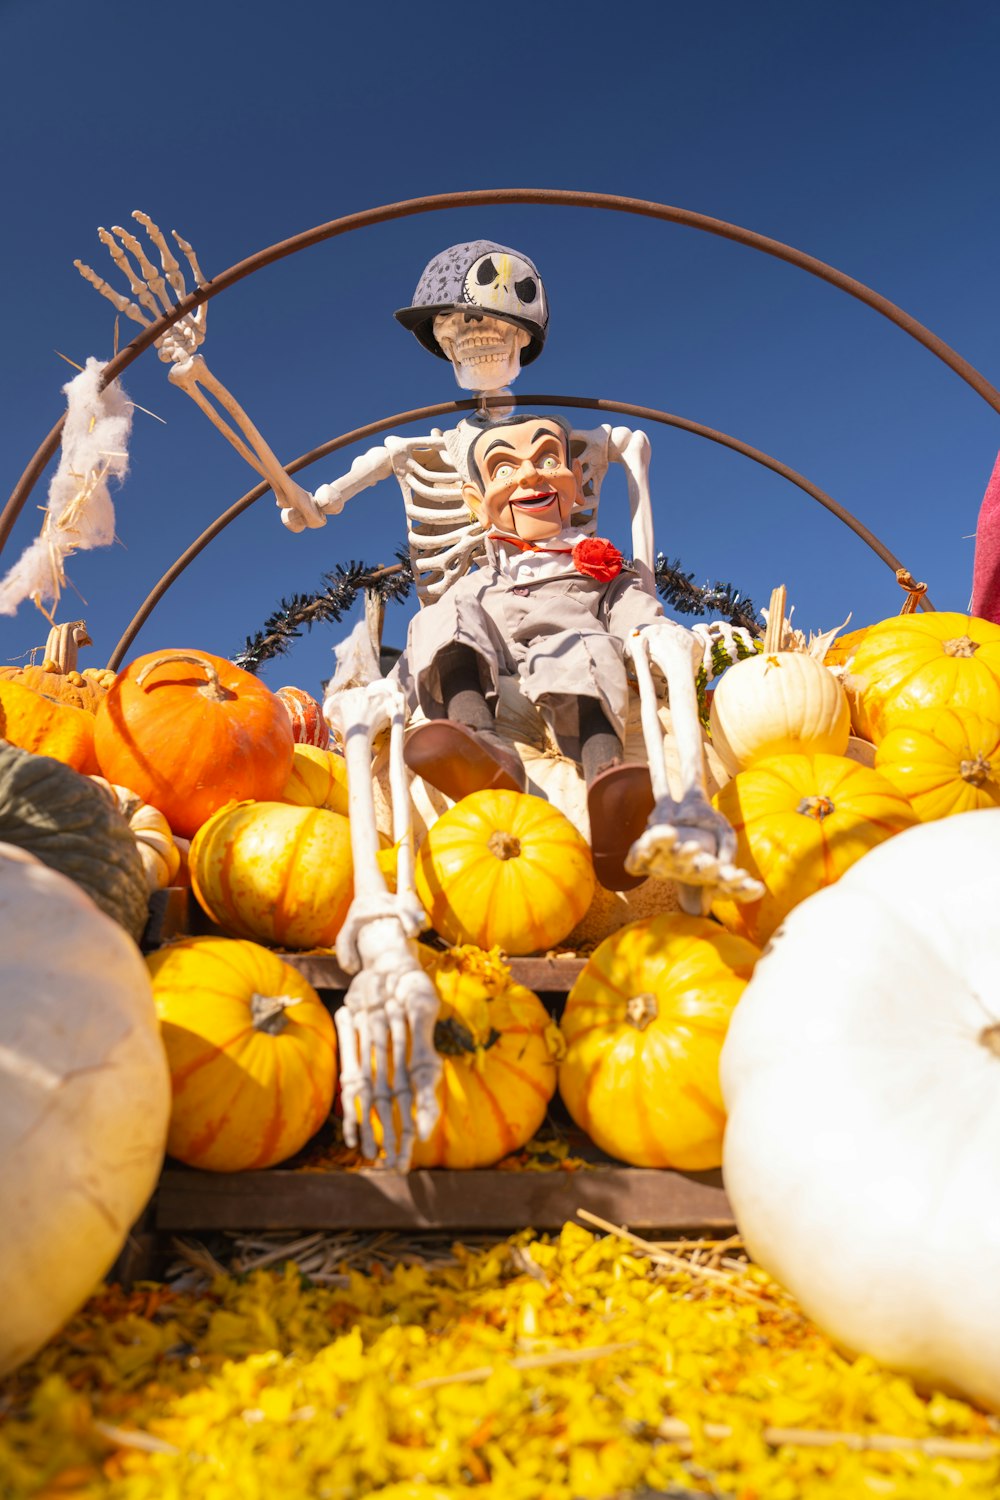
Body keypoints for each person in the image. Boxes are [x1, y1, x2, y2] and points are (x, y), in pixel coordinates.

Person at [399, 410, 686, 887]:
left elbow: (631, 607)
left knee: (577, 648)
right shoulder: (479, 583)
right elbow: (428, 644)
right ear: (476, 500)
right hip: (497, 672)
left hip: (570, 660)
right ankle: (476, 738)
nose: (530, 475)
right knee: (439, 616)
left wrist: (653, 631)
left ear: (573, 482)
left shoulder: (598, 570)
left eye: (548, 458)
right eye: (505, 469)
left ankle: (607, 781)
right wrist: (388, 697)